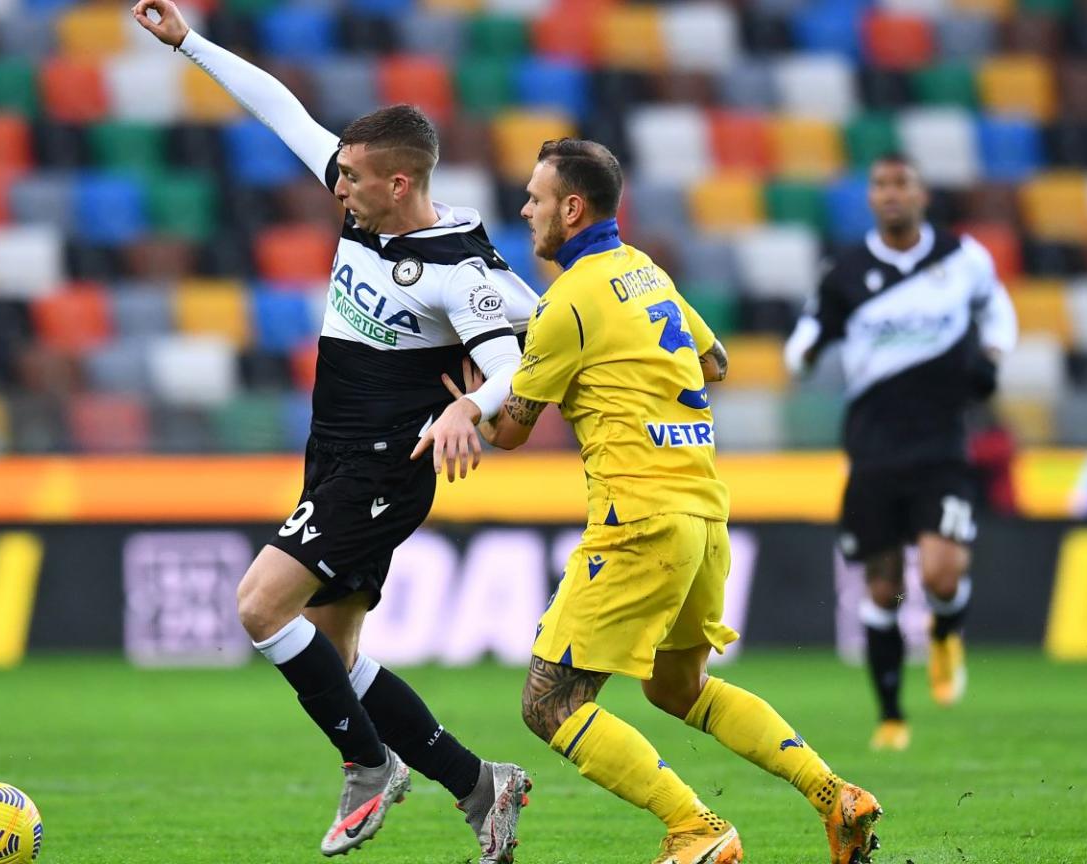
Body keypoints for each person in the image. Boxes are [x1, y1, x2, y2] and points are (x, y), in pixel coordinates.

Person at [132, 2, 536, 860]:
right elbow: (281, 109)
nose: (336, 186)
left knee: (258, 606)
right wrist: (189, 43)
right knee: (335, 651)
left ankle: (366, 764)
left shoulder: (463, 268)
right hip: (336, 457)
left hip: (388, 467)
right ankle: (480, 786)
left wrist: (470, 404)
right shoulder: (365, 209)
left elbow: (521, 364)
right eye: (339, 172)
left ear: (400, 183)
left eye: (352, 176)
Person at [430, 138, 883, 864]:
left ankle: (697, 826)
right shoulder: (645, 272)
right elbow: (717, 361)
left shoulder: (567, 302)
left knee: (550, 705)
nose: (526, 210)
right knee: (678, 687)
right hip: (703, 512)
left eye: (536, 198)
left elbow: (513, 430)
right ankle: (836, 796)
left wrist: (470, 407)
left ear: (571, 208)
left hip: (636, 519)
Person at [784, 154, 1017, 751]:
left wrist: (991, 356)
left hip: (941, 444)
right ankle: (891, 715)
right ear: (870, 198)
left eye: (902, 184)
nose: (891, 195)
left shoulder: (962, 260)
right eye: (881, 185)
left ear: (922, 194)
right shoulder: (846, 272)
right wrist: (803, 356)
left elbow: (998, 309)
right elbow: (808, 336)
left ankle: (944, 633)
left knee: (942, 571)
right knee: (882, 586)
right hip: (873, 451)